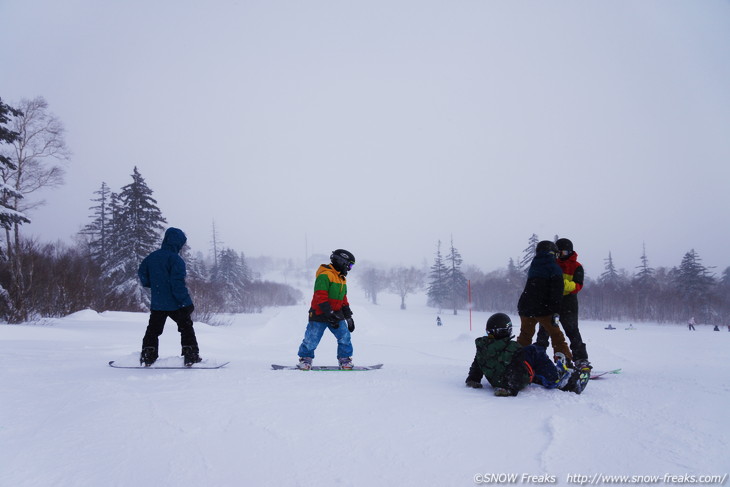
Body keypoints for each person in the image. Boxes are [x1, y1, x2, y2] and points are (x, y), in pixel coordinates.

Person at [465, 313, 588, 396]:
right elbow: (516, 369)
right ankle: (558, 379)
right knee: (533, 351)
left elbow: (477, 365)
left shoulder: (482, 347)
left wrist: (473, 379)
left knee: (531, 353)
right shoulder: (513, 348)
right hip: (510, 384)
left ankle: (540, 372)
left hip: (497, 381)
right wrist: (510, 388)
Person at [138, 227, 201, 367]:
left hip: (158, 303)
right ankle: (190, 355)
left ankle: (148, 354)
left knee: (153, 330)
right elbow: (177, 283)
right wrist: (186, 302)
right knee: (186, 328)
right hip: (176, 304)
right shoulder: (176, 260)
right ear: (178, 243)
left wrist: (154, 284)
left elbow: (142, 274)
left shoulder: (151, 257)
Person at [536, 238, 591, 370]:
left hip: (568, 303)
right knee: (544, 330)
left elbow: (577, 286)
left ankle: (581, 359)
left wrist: (560, 285)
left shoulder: (576, 266)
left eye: (564, 252)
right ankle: (538, 355)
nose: (561, 255)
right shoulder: (552, 264)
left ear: (570, 252)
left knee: (572, 330)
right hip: (551, 302)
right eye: (559, 252)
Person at [297, 249, 356, 370]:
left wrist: (348, 316)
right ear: (341, 261)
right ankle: (305, 359)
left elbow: (343, 299)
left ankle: (344, 360)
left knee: (345, 336)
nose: (349, 268)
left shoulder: (341, 278)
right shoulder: (325, 275)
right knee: (312, 338)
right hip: (319, 314)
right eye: (349, 265)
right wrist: (329, 314)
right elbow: (320, 296)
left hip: (336, 314)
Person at [515, 240, 573, 364]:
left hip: (526, 307)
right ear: (553, 253)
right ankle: (564, 362)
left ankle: (515, 362)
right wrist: (556, 312)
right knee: (557, 336)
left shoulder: (534, 266)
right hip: (544, 309)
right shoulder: (554, 268)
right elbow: (557, 293)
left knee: (525, 337)